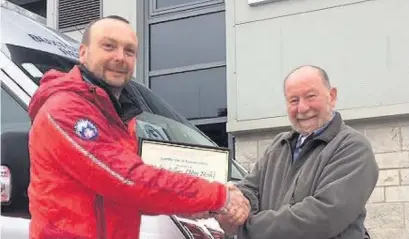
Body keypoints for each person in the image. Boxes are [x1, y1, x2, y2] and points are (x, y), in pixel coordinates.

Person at [27, 15, 249, 239]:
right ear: (83, 53)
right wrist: (219, 195)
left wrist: (196, 206)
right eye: (109, 46)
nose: (120, 57)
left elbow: (129, 198)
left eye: (129, 51)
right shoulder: (64, 109)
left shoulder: (118, 116)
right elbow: (128, 180)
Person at [215, 65, 379, 239]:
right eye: (293, 100)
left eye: (310, 96)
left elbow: (322, 217)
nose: (302, 108)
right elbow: (250, 189)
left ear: (332, 96)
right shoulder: (280, 145)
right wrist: (235, 206)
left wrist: (246, 227)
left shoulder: (352, 147)